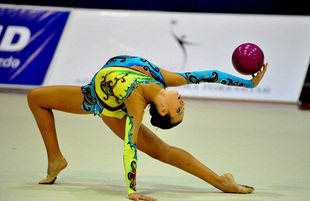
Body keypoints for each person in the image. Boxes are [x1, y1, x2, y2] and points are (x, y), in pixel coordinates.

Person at [27, 55, 267, 201]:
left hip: (103, 105)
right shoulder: (162, 79)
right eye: (181, 109)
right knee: (35, 97)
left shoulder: (135, 103)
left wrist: (131, 190)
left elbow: (129, 146)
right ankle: (55, 158)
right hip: (92, 90)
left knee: (161, 151)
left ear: (163, 111)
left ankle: (221, 182)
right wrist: (248, 83)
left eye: (179, 110)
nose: (184, 103)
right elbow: (209, 76)